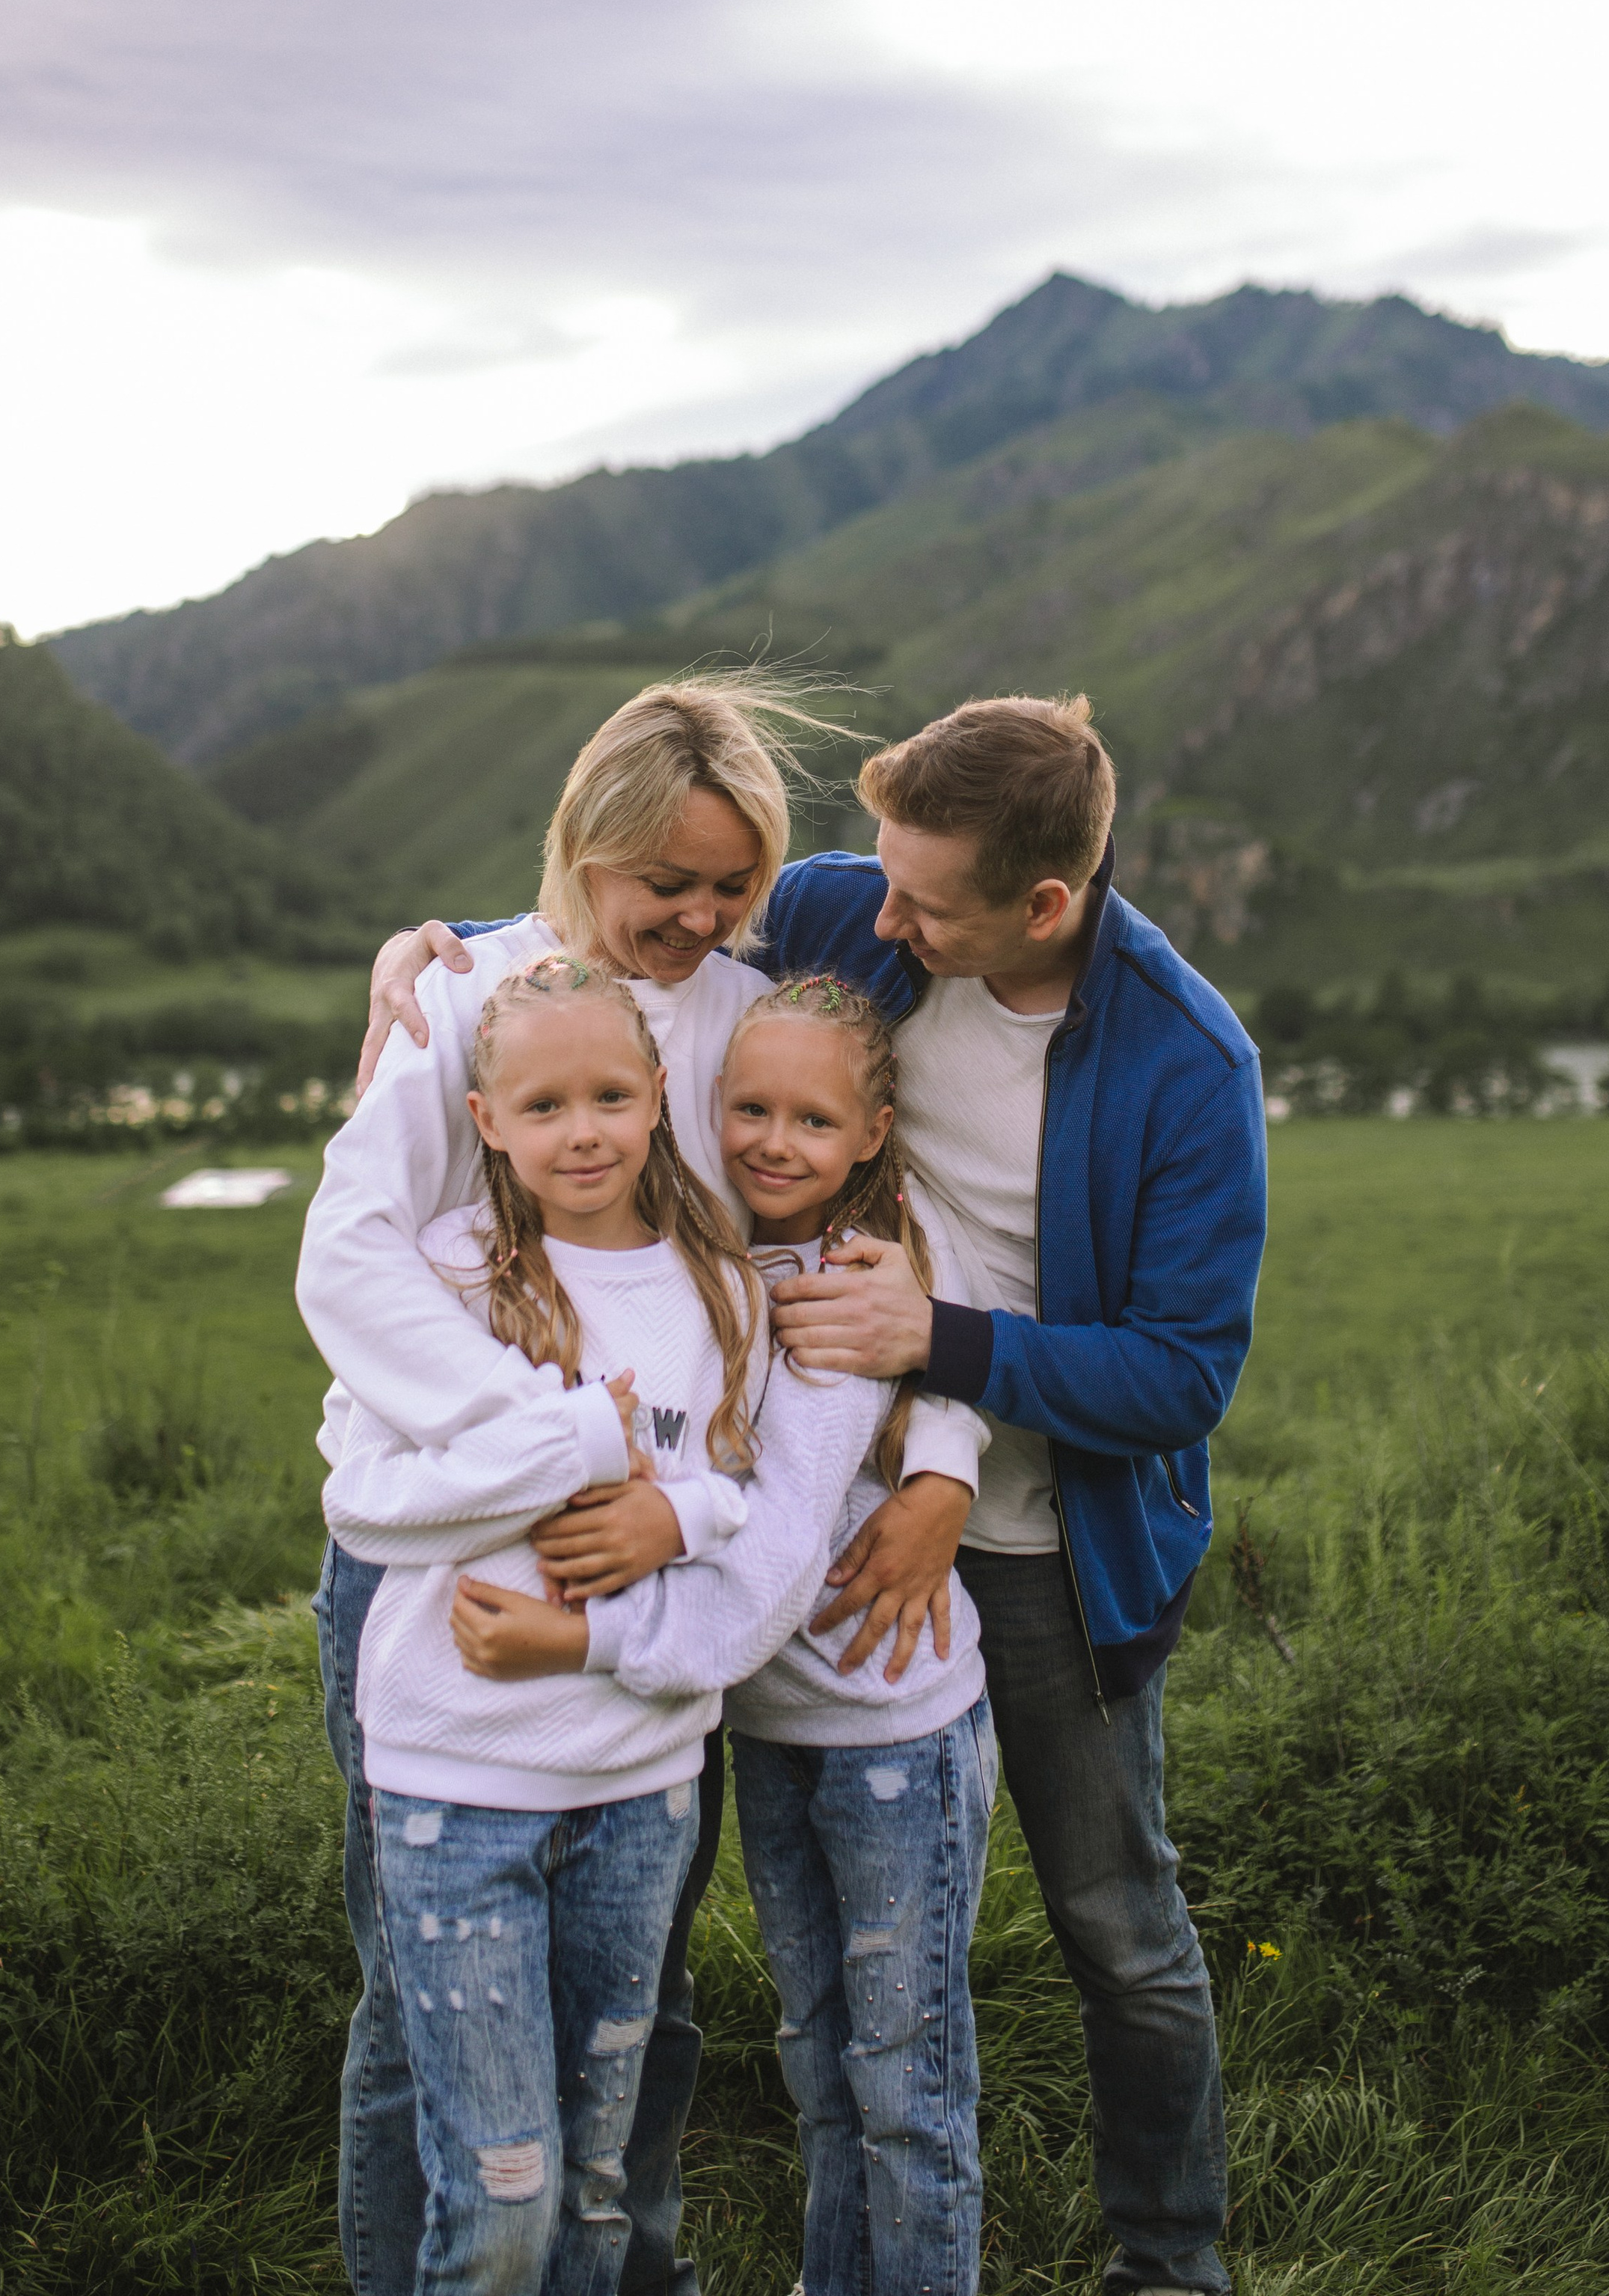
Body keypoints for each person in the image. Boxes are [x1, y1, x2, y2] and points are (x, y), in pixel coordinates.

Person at [374, 691, 1267, 2296]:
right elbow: (618, 912)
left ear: (1042, 906)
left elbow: (1182, 1375)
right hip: (790, 1541)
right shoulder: (857, 918)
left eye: (923, 902)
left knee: (1114, 1921)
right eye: (877, 884)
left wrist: (944, 1383)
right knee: (707, 1951)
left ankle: (1170, 2260)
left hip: (1043, 1543)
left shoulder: (1181, 1061)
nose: (875, 913)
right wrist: (441, 957)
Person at [305, 680, 969, 2296]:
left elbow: (882, 1212)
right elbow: (352, 1248)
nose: (693, 912)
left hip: (666, 1558)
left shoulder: (744, 1012)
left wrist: (938, 1451)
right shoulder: (469, 993)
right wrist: (542, 1434)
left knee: (639, 1977)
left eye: (727, 881)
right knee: (420, 1984)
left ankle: (624, 2269)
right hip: (445, 1559)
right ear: (580, 849)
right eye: (658, 878)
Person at [715, 976, 993, 2296]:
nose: (775, 1140)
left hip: (894, 1723)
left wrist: (948, 1467)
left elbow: (963, 1364)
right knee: (818, 2061)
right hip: (773, 1725)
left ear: (871, 1131)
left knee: (906, 2080)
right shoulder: (706, 1256)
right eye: (750, 1107)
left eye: (812, 1119)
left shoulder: (880, 1263)